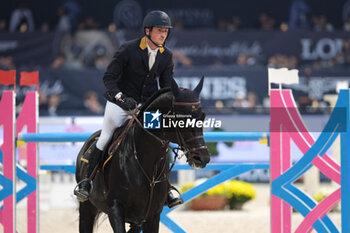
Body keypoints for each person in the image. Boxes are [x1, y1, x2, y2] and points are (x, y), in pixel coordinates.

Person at [74, 10, 184, 208]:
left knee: (160, 142)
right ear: (148, 31)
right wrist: (120, 97)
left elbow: (166, 87)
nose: (163, 35)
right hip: (121, 104)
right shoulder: (128, 49)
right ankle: (87, 182)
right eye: (160, 31)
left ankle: (166, 187)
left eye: (166, 32)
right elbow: (109, 78)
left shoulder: (166, 56)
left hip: (146, 108)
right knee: (106, 137)